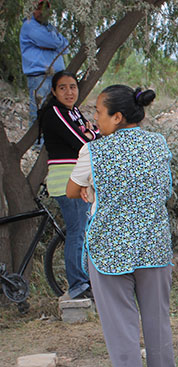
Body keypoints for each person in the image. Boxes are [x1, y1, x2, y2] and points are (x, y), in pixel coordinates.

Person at [66, 85, 178, 367]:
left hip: (109, 249)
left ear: (118, 116)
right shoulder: (158, 144)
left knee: (120, 325)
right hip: (152, 244)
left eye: (98, 112)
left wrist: (92, 191)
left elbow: (71, 190)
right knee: (157, 318)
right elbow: (165, 189)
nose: (95, 119)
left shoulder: (93, 152)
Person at [38, 71, 96, 300]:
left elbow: (95, 134)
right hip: (67, 181)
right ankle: (78, 285)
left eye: (72, 87)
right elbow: (83, 142)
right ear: (53, 92)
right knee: (76, 233)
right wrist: (91, 133)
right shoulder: (55, 112)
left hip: (78, 179)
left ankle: (83, 281)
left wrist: (91, 132)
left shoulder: (73, 112)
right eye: (62, 88)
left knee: (81, 231)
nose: (69, 92)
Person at [19, 0, 68, 133]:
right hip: (40, 77)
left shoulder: (49, 27)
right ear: (32, 9)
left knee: (57, 111)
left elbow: (66, 46)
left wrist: (54, 42)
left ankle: (50, 143)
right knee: (40, 112)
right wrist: (55, 42)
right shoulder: (29, 25)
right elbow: (55, 42)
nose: (42, 12)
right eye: (38, 8)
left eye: (45, 8)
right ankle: (37, 145)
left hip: (56, 77)